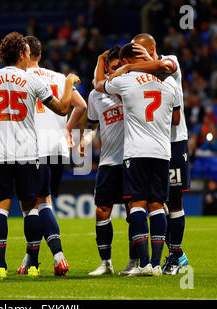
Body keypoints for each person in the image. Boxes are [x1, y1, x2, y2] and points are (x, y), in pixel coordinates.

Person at [0, 32, 80, 280]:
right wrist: (69, 85)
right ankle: (32, 265)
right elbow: (63, 108)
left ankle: (0, 268)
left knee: (0, 208)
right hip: (29, 155)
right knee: (31, 208)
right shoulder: (32, 81)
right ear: (21, 54)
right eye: (28, 53)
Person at [94, 42, 181, 276]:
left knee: (138, 206)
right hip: (163, 152)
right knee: (157, 207)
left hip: (136, 152)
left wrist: (116, 69)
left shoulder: (125, 81)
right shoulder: (170, 82)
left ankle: (143, 264)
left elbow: (98, 84)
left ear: (127, 62)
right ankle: (155, 264)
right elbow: (176, 118)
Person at [111, 33, 190, 275]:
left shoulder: (170, 61)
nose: (135, 56)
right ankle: (151, 259)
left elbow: (162, 66)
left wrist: (129, 67)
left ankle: (175, 256)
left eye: (139, 51)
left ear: (152, 49)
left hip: (174, 142)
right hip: (151, 145)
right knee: (153, 202)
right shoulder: (135, 74)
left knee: (173, 200)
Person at [15, 36, 87, 277]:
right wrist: (66, 130)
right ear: (40, 55)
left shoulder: (21, 79)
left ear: (22, 54)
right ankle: (30, 260)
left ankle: (58, 257)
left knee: (33, 205)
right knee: (44, 202)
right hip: (57, 148)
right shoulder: (57, 77)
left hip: (34, 147)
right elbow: (82, 106)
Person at [79, 45, 128, 276]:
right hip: (109, 161)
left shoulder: (130, 86)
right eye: (114, 66)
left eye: (121, 66)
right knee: (102, 211)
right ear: (106, 66)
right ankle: (106, 263)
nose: (117, 71)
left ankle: (136, 262)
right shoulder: (95, 95)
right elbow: (91, 125)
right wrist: (84, 143)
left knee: (134, 212)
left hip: (131, 160)